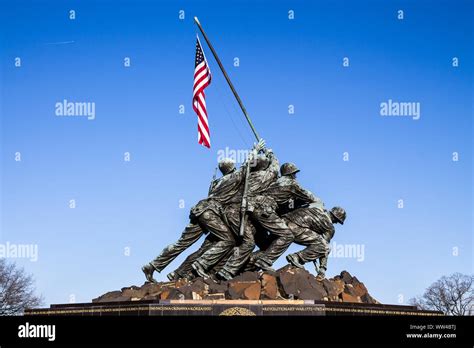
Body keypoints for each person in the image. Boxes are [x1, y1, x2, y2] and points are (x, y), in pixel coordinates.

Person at [285, 205, 346, 281]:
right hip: (296, 229)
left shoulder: (317, 209)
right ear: (335, 218)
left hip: (284, 222)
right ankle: (297, 257)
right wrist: (322, 269)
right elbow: (324, 247)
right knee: (325, 246)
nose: (336, 223)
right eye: (337, 221)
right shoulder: (330, 227)